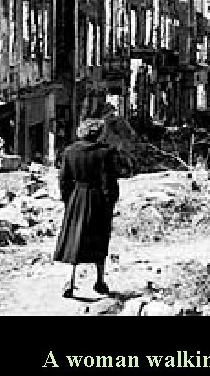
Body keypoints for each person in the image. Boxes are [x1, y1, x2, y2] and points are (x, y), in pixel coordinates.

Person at [53, 118, 119, 297]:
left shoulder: (69, 152)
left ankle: (70, 280)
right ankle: (99, 280)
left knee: (74, 237)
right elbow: (108, 181)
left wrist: (68, 199)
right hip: (97, 198)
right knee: (99, 237)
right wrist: (110, 201)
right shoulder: (105, 153)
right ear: (98, 133)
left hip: (77, 196)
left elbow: (63, 180)